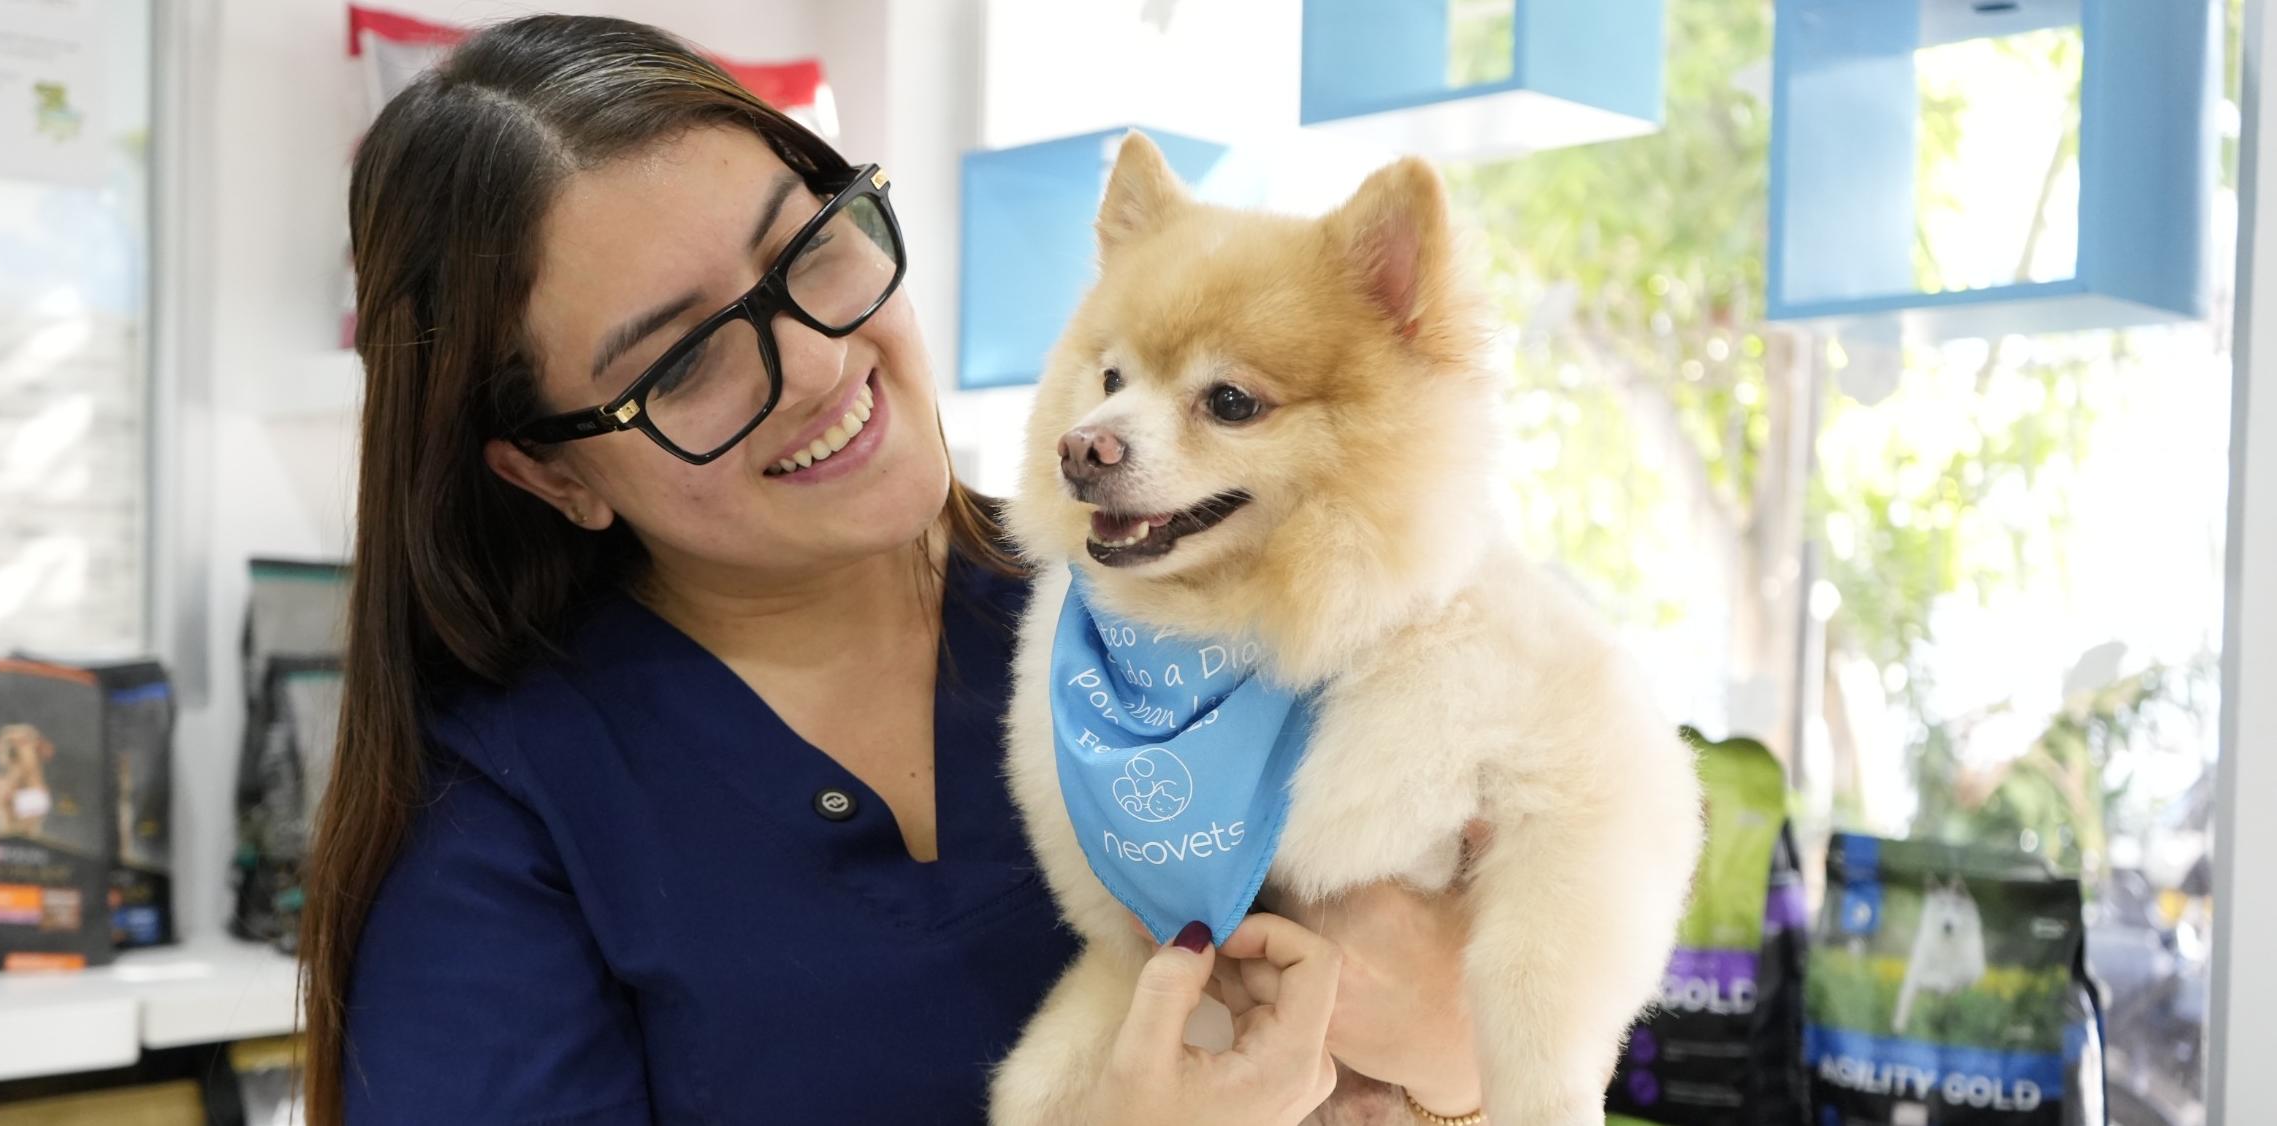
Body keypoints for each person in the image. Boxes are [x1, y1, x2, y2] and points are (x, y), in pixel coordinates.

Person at [300, 15, 1486, 1125]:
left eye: (807, 244)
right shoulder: (503, 834)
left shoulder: (1187, 605)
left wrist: (1460, 1047)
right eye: (682, 361)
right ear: (552, 475)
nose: (818, 364)